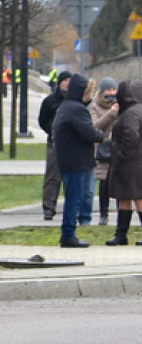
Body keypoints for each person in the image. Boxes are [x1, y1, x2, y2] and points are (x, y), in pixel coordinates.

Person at [52, 75, 103, 248]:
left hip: (68, 159)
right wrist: (101, 135)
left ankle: (68, 233)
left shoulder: (66, 107)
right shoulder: (77, 110)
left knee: (72, 197)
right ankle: (68, 234)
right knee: (74, 198)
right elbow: (88, 132)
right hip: (77, 160)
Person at [106, 80, 142, 245]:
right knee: (125, 197)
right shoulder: (136, 110)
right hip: (133, 161)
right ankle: (121, 234)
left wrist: (122, 154)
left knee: (136, 197)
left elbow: (131, 136)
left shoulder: (131, 113)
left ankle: (121, 234)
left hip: (130, 163)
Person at [38, 71, 71, 220]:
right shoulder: (50, 101)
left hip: (71, 144)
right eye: (65, 80)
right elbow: (42, 120)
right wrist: (52, 131)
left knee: (71, 178)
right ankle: (49, 208)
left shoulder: (75, 100)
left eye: (70, 80)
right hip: (54, 143)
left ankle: (71, 208)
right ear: (59, 83)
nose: (67, 83)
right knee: (52, 177)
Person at [90, 77, 119, 226]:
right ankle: (103, 214)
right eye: (108, 90)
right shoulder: (95, 107)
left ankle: (122, 213)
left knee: (120, 183)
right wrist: (111, 113)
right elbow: (96, 126)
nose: (112, 93)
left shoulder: (121, 104)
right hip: (104, 150)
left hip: (119, 149)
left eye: (114, 90)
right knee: (104, 184)